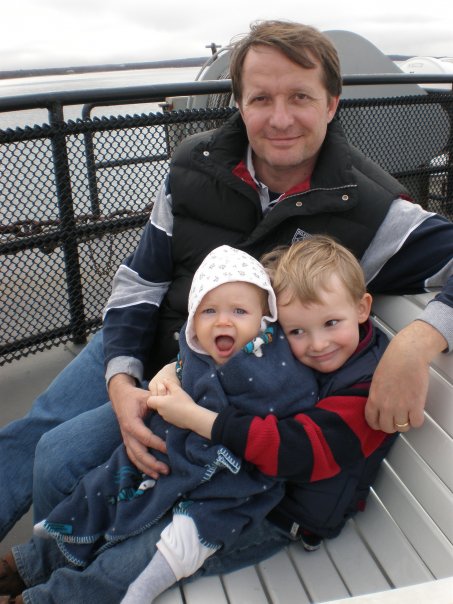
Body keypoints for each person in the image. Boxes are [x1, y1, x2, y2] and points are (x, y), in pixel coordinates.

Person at [0, 18, 452, 602]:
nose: (280, 118)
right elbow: (140, 280)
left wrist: (417, 342)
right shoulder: (194, 166)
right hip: (151, 341)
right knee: (34, 432)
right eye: (261, 98)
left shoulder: (371, 207)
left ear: (333, 104)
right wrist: (121, 377)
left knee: (60, 459)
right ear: (238, 101)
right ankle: (49, 559)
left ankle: (63, 569)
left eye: (300, 98)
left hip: (219, 377)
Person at [0, 236, 395, 603]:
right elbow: (226, 363)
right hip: (230, 479)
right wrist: (173, 370)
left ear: (362, 308)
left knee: (142, 552)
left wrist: (197, 418)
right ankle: (35, 564)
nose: (318, 344)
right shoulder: (289, 350)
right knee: (112, 486)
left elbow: (295, 453)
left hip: (279, 517)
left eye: (331, 324)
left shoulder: (369, 387)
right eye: (297, 331)